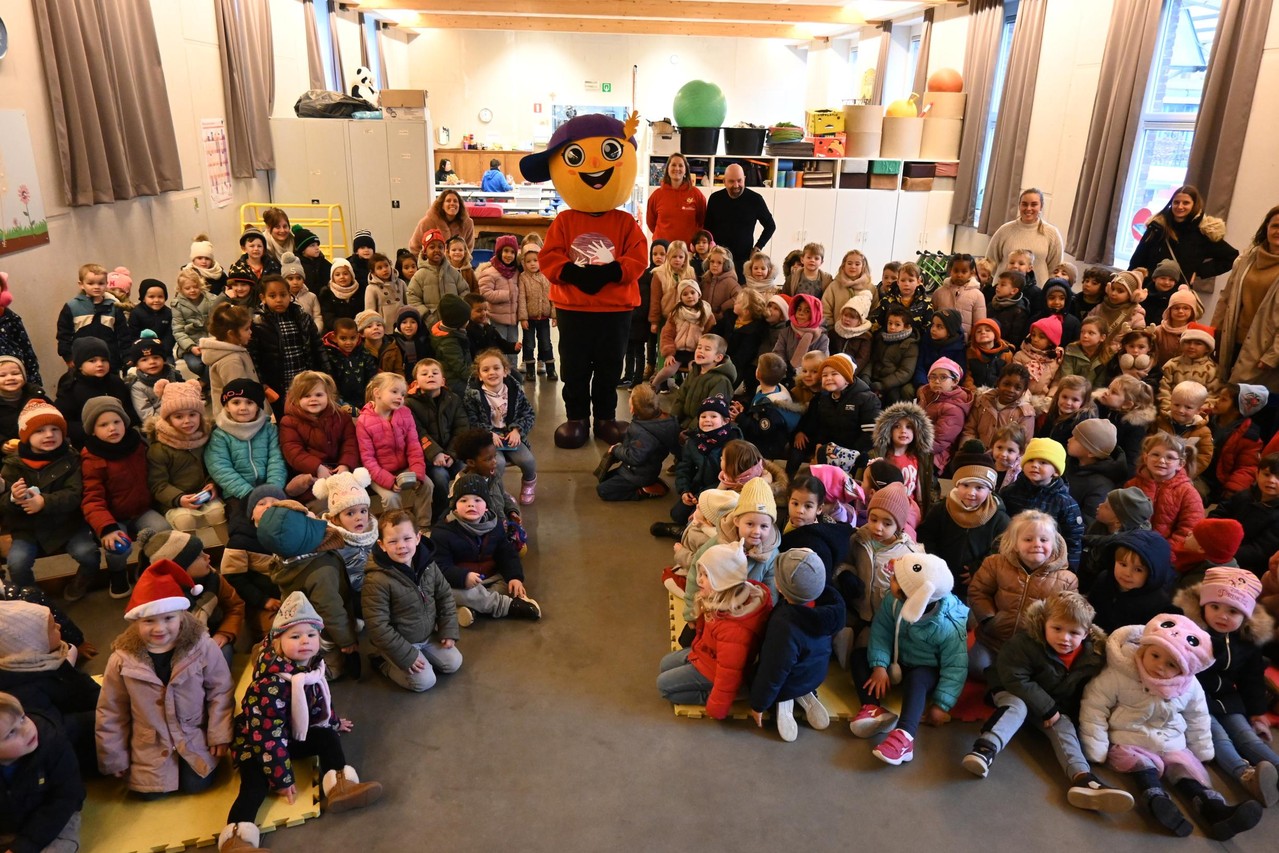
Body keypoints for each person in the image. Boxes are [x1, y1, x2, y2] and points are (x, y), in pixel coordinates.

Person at [218, 592, 382, 853]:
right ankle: (237, 838)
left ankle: (340, 786)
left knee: (328, 736)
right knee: (255, 783)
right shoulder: (269, 685)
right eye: (295, 636)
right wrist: (281, 777)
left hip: (293, 733)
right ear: (277, 642)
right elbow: (268, 736)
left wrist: (334, 721)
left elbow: (319, 701)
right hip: (257, 742)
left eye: (311, 635)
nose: (305, 641)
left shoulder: (313, 667)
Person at [1079, 615, 1262, 840]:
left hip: (1172, 742)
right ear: (1143, 649)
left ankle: (1215, 810)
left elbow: (1198, 716)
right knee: (1143, 766)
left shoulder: (1189, 685)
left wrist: (1201, 748)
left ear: (1184, 669)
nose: (1159, 667)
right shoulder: (1120, 674)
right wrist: (1096, 745)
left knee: (1184, 770)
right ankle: (1157, 800)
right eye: (1155, 656)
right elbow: (1095, 705)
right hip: (1130, 740)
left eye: (1171, 665)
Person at [964, 592, 1134, 813]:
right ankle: (985, 749)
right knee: (1018, 707)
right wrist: (1047, 708)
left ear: (1086, 634)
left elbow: (1084, 689)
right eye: (1057, 629)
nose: (1065, 638)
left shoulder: (1093, 657)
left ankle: (1084, 779)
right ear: (1045, 623)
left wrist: (1064, 714)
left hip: (1051, 702)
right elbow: (1014, 677)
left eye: (1074, 633)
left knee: (1063, 726)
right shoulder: (1025, 641)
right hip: (1010, 688)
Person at [95, 560, 234, 797]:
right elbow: (111, 710)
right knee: (149, 794)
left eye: (168, 618)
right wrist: (115, 757)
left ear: (181, 615)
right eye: (149, 621)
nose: (159, 628)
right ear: (136, 621)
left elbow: (220, 691)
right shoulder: (121, 659)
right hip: (150, 743)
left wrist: (219, 733)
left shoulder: (203, 646)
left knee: (196, 786)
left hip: (193, 735)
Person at [1173, 568, 1279, 807]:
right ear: (1204, 605)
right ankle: (1246, 775)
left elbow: (1251, 678)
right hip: (1195, 699)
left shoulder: (1246, 639)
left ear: (1245, 616)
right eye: (1215, 607)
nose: (1222, 616)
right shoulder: (1191, 631)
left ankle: (1276, 768)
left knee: (1246, 735)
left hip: (1227, 697)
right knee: (1219, 737)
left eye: (1233, 611)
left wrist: (1257, 714)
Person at [857, 553, 969, 766]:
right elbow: (881, 631)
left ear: (911, 594)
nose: (891, 580)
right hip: (896, 658)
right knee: (859, 656)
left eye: (896, 580)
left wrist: (941, 705)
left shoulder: (948, 624)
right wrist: (879, 666)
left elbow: (956, 665)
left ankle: (905, 736)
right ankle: (873, 708)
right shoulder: (894, 600)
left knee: (917, 681)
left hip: (925, 667)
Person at [656, 541, 772, 718]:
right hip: (705, 654)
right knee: (664, 664)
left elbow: (728, 673)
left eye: (705, 575)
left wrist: (717, 708)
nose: (698, 579)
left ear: (722, 582)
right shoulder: (720, 599)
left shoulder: (734, 630)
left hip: (715, 669)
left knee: (664, 686)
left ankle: (738, 693)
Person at [0, 401, 101, 597]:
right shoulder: (13, 465)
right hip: (27, 529)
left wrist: (43, 502)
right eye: (39, 431)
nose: (49, 435)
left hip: (67, 524)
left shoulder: (71, 459)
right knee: (17, 563)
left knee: (89, 554)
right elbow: (3, 503)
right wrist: (13, 498)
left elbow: (75, 494)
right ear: (27, 437)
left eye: (55, 429)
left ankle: (81, 581)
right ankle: (33, 596)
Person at [80, 396, 171, 599]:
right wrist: (107, 528)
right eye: (103, 425)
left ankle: (146, 565)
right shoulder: (92, 457)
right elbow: (92, 498)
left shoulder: (138, 444)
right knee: (116, 546)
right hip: (113, 517)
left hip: (141, 509)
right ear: (93, 430)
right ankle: (117, 573)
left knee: (163, 531)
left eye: (116, 422)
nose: (112, 428)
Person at [747, 549, 843, 742]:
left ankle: (783, 702)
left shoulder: (785, 624)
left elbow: (773, 670)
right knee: (802, 662)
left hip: (789, 681)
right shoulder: (830, 607)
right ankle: (805, 693)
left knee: (754, 675)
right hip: (815, 676)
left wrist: (758, 704)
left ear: (780, 588)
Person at [968, 510, 1077, 676]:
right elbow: (979, 591)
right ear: (1015, 544)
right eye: (1028, 539)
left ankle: (1009, 682)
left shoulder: (1067, 579)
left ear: (1053, 544)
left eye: (1044, 540)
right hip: (993, 639)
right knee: (975, 668)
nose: (1037, 544)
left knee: (1037, 676)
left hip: (1033, 645)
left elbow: (1067, 614)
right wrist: (990, 619)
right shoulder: (995, 564)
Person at [363, 510, 462, 692]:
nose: (401, 546)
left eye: (407, 538)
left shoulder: (428, 564)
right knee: (424, 682)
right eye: (393, 541)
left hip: (426, 635)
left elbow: (444, 595)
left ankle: (421, 656)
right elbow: (378, 626)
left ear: (418, 538)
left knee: (454, 662)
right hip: (400, 643)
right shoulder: (376, 579)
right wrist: (405, 655)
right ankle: (382, 662)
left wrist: (448, 628)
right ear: (382, 545)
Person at [431, 474, 541, 623]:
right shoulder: (442, 532)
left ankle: (472, 609)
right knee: (448, 592)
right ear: (455, 506)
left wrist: (515, 577)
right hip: (462, 584)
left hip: (491, 578)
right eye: (463, 500)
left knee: (508, 584)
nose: (471, 505)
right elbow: (440, 566)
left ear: (486, 505)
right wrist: (463, 577)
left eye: (477, 500)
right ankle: (508, 606)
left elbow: (506, 553)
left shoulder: (495, 525)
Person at [0, 692, 85, 853]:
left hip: (52, 822)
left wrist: (23, 847)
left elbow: (66, 797)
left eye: (23, 718)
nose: (26, 730)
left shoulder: (52, 741)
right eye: (11, 733)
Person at [1212, 204, 1279, 385]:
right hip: (1234, 338)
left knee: (1252, 405)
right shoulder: (1246, 259)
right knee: (1224, 395)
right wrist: (1214, 332)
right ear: (1266, 228)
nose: (1278, 232)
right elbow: (1226, 297)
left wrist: (1273, 355)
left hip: (1265, 350)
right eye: (1275, 226)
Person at [1130, 185, 1239, 290]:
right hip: (1149, 291)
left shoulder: (1202, 232)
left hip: (1179, 295)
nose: (1180, 206)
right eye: (1176, 202)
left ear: (1194, 205)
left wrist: (1199, 271)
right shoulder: (1157, 228)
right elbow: (1137, 259)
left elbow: (1231, 257)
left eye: (1186, 203)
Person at [464, 349, 537, 504]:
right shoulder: (473, 395)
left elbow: (528, 413)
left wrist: (517, 430)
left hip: (511, 435)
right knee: (498, 464)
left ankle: (529, 484)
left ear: (505, 372)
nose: (492, 373)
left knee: (528, 460)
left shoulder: (515, 391)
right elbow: (471, 420)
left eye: (496, 368)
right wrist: (488, 433)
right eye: (486, 370)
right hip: (489, 439)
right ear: (479, 375)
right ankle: (497, 491)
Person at [703, 163, 777, 282]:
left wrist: (758, 247)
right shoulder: (715, 199)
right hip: (719, 260)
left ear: (744, 180)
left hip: (743, 260)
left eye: (739, 181)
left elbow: (770, 226)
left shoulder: (755, 199)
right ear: (724, 181)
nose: (736, 185)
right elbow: (707, 228)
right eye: (731, 181)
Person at [55, 263, 131, 373]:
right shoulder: (72, 307)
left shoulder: (114, 306)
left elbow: (123, 335)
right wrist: (68, 356)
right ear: (81, 284)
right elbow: (64, 335)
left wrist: (127, 356)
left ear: (106, 284)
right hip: (82, 362)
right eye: (90, 283)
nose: (96, 287)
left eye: (101, 283)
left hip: (110, 361)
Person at [984, 188, 1065, 286]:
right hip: (1004, 291)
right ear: (1019, 205)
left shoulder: (1052, 233)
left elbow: (1055, 268)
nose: (1028, 208)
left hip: (1037, 292)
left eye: (1034, 204)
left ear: (1041, 207)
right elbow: (991, 262)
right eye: (1024, 204)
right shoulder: (1004, 230)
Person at [646, 153, 706, 244]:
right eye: (673, 165)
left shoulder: (696, 195)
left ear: (685, 170)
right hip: (663, 251)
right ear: (668, 169)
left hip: (687, 251)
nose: (677, 168)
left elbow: (702, 221)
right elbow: (651, 223)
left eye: (681, 165)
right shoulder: (656, 195)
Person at [409, 189, 475, 256]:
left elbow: (468, 248)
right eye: (448, 201)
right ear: (442, 205)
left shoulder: (467, 223)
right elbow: (415, 247)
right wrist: (425, 263)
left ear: (460, 205)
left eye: (455, 201)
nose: (452, 203)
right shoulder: (426, 222)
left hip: (458, 265)